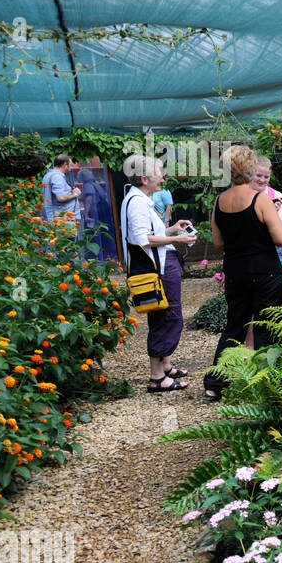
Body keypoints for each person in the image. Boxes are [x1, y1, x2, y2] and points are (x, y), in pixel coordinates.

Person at [203, 145, 282, 400]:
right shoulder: (259, 199)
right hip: (264, 271)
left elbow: (218, 244)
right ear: (250, 169)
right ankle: (267, 383)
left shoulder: (219, 201)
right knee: (265, 326)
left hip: (236, 271)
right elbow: (281, 239)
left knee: (235, 325)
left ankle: (215, 383)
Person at [120, 155, 196, 392]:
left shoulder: (141, 199)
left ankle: (164, 366)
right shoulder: (138, 202)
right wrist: (177, 238)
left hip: (160, 265)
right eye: (159, 173)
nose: (163, 177)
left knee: (163, 316)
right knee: (168, 317)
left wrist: (173, 228)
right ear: (145, 178)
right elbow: (143, 239)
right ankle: (156, 377)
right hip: (157, 269)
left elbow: (149, 231)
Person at [245, 155, 282, 349]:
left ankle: (272, 349)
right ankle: (248, 349)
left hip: (274, 256)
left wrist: (272, 212)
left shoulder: (276, 195)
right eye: (258, 176)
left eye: (266, 177)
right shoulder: (243, 196)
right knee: (250, 309)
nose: (262, 181)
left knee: (272, 306)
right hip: (249, 256)